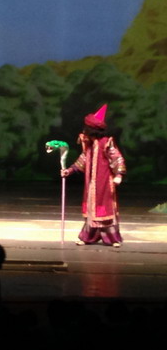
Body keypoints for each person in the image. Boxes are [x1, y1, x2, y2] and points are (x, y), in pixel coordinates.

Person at [61, 104, 126, 247]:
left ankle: (113, 238)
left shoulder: (106, 142)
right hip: (91, 184)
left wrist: (119, 174)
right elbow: (83, 159)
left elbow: (117, 158)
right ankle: (88, 237)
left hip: (104, 182)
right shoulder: (88, 143)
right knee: (92, 210)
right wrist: (70, 170)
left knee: (104, 209)